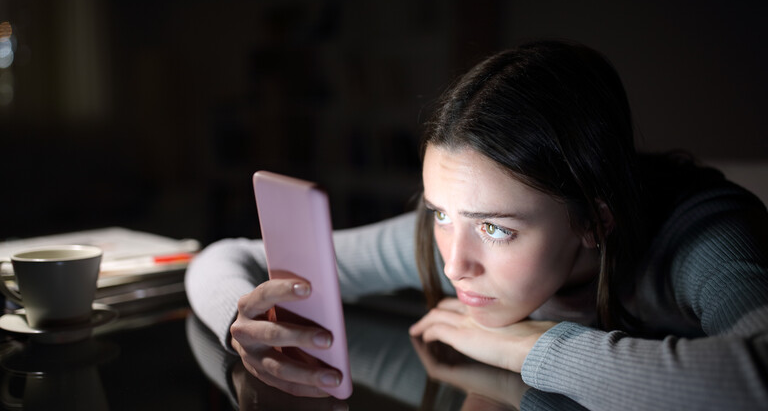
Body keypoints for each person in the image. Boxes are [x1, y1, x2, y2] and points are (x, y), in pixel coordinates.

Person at [185, 40, 768, 410]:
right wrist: (245, 318)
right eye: (440, 213)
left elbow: (755, 380)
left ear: (595, 220)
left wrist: (530, 345)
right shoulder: (448, 238)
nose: (454, 263)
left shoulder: (704, 234)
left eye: (495, 229)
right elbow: (226, 257)